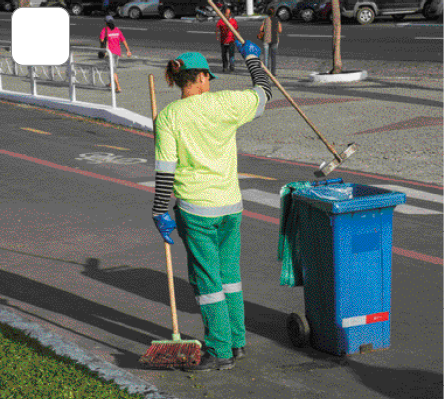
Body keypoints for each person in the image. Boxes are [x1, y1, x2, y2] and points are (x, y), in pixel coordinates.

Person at [151, 42, 272, 371]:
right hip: (231, 206)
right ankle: (236, 341)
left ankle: (219, 350)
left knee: (207, 282)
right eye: (209, 77)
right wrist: (252, 59)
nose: (210, 82)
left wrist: (159, 211)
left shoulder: (168, 118)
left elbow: (165, 170)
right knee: (230, 276)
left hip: (196, 210)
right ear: (201, 77)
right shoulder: (228, 103)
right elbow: (264, 92)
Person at [100, 16, 132, 93]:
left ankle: (118, 87)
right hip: (117, 53)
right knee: (112, 68)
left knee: (112, 70)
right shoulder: (117, 30)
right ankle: (111, 83)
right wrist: (128, 50)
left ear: (105, 23)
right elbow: (123, 40)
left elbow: (101, 40)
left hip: (109, 53)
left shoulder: (105, 30)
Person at [259, 7, 282, 76]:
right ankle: (273, 72)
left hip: (266, 40)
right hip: (274, 40)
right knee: (273, 57)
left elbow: (261, 29)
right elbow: (280, 31)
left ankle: (266, 71)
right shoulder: (277, 20)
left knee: (266, 57)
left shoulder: (265, 20)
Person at [216, 7, 238, 73]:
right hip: (223, 41)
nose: (228, 15)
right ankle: (225, 67)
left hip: (231, 40)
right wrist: (217, 36)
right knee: (224, 55)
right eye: (226, 13)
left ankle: (232, 66)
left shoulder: (233, 21)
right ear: (224, 13)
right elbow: (217, 29)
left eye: (229, 13)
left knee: (231, 54)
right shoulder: (221, 21)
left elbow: (236, 29)